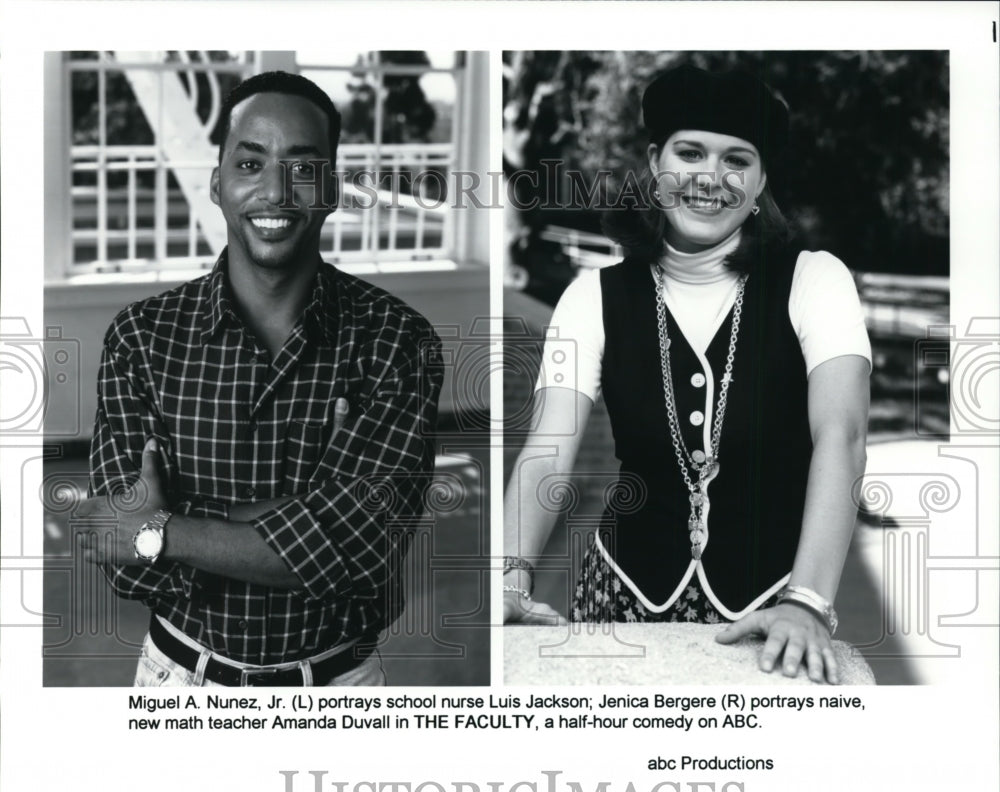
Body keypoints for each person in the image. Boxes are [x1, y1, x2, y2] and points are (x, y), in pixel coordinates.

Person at [503, 64, 871, 685]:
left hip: (774, 603)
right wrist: (509, 579)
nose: (710, 178)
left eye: (737, 160)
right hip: (618, 596)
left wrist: (807, 602)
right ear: (656, 163)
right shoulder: (592, 295)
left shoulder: (815, 280)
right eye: (690, 153)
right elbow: (547, 451)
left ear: (761, 180)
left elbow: (843, 436)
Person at [76, 71, 444, 687]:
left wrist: (165, 526)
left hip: (338, 688)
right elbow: (119, 555)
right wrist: (308, 516)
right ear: (217, 183)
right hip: (178, 681)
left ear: (332, 188)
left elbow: (362, 552)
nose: (275, 191)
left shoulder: (397, 340)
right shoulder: (140, 337)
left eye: (302, 168)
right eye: (250, 163)